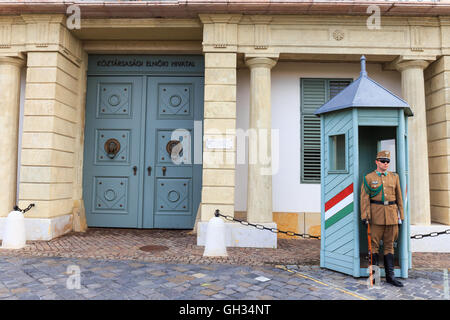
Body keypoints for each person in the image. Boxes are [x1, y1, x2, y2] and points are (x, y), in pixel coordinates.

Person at [360, 150, 404, 287]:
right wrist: (365, 216)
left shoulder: (394, 177)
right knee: (373, 247)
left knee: (389, 246)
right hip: (375, 217)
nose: (385, 164)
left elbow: (399, 198)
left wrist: (401, 215)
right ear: (377, 162)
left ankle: (390, 277)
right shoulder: (368, 178)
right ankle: (375, 277)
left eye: (387, 161)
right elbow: (364, 199)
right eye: (383, 161)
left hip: (391, 216)